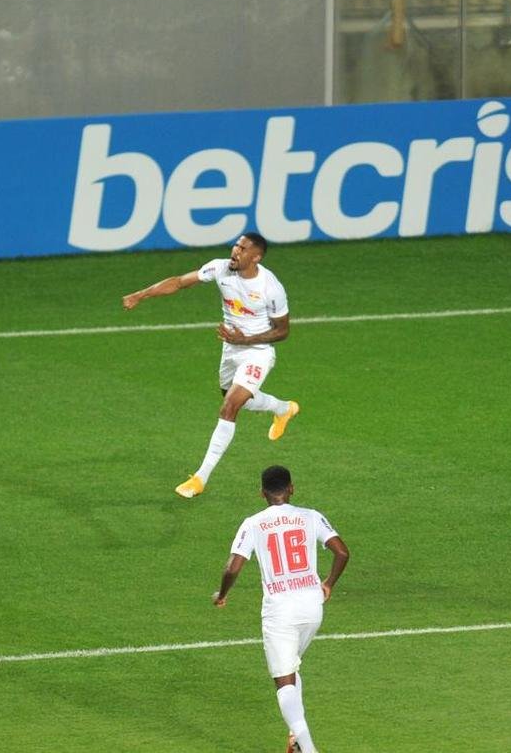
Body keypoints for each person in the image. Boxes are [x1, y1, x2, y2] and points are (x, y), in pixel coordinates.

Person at [122, 232, 300, 498]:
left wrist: (247, 338)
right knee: (232, 396)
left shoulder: (270, 287)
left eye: (242, 248)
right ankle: (283, 408)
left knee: (229, 406)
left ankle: (200, 478)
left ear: (256, 257)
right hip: (230, 348)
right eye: (236, 246)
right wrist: (141, 294)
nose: (235, 251)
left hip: (257, 352)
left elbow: (283, 331)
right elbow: (180, 282)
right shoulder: (220, 268)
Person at [213, 465, 350, 753]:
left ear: (262, 492)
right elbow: (342, 552)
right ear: (292, 488)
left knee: (284, 680)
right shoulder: (311, 517)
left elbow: (232, 567)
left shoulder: (253, 523)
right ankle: (294, 739)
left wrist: (222, 594)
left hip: (280, 612)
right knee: (292, 665)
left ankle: (309, 749)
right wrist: (328, 584)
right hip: (313, 608)